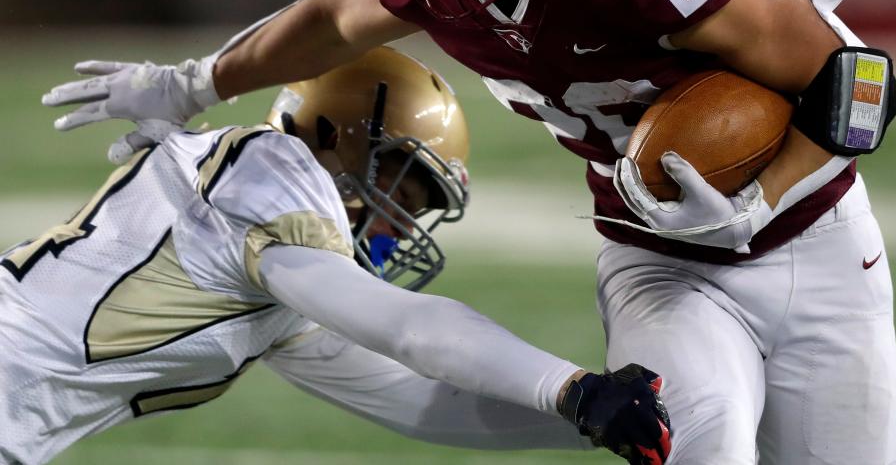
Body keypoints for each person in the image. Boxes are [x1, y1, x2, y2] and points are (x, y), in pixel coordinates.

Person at [42, 0, 896, 465]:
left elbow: (864, 82)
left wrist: (762, 196)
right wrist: (195, 82)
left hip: (818, 243)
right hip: (661, 258)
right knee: (696, 445)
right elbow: (334, 18)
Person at [8, 46, 672, 465]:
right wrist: (573, 386)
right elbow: (410, 329)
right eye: (398, 186)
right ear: (331, 136)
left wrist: (595, 422)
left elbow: (427, 403)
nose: (399, 223)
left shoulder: (281, 275)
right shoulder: (272, 171)